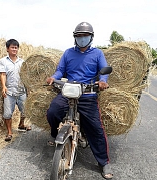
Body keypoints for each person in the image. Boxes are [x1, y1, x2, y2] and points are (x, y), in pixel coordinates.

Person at [46, 22, 113, 179]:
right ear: (75, 38)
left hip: (88, 94)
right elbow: (60, 70)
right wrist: (53, 78)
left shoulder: (97, 54)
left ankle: (103, 162)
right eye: (79, 36)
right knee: (53, 111)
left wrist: (102, 81)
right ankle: (55, 135)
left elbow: (104, 71)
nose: (82, 39)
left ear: (91, 37)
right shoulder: (68, 53)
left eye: (85, 36)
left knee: (96, 128)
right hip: (69, 92)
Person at [0, 39, 31, 142]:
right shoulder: (3, 61)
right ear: (7, 49)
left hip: (21, 91)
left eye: (16, 47)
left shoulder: (22, 62)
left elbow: (25, 76)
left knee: (25, 110)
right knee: (7, 114)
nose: (14, 49)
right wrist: (4, 87)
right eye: (12, 47)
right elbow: (3, 74)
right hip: (10, 92)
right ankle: (9, 132)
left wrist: (28, 88)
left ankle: (21, 124)